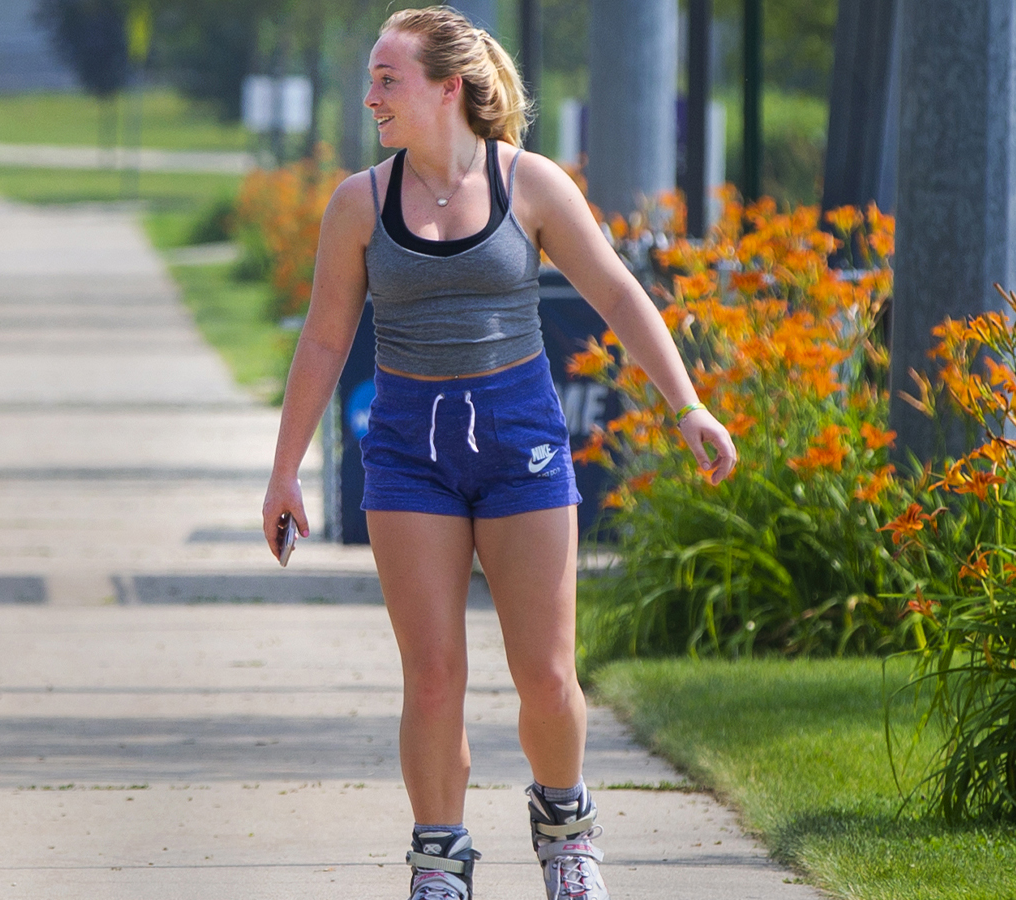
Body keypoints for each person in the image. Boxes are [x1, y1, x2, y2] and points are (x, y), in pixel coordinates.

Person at [260, 8, 738, 900]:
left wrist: (689, 406)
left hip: (521, 445)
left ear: (451, 88)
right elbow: (324, 342)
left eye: (387, 79)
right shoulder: (359, 203)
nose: (371, 97)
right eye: (370, 79)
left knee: (548, 675)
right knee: (433, 674)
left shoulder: (533, 184)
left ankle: (567, 837)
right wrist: (286, 471)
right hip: (408, 455)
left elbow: (619, 295)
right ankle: (439, 861)